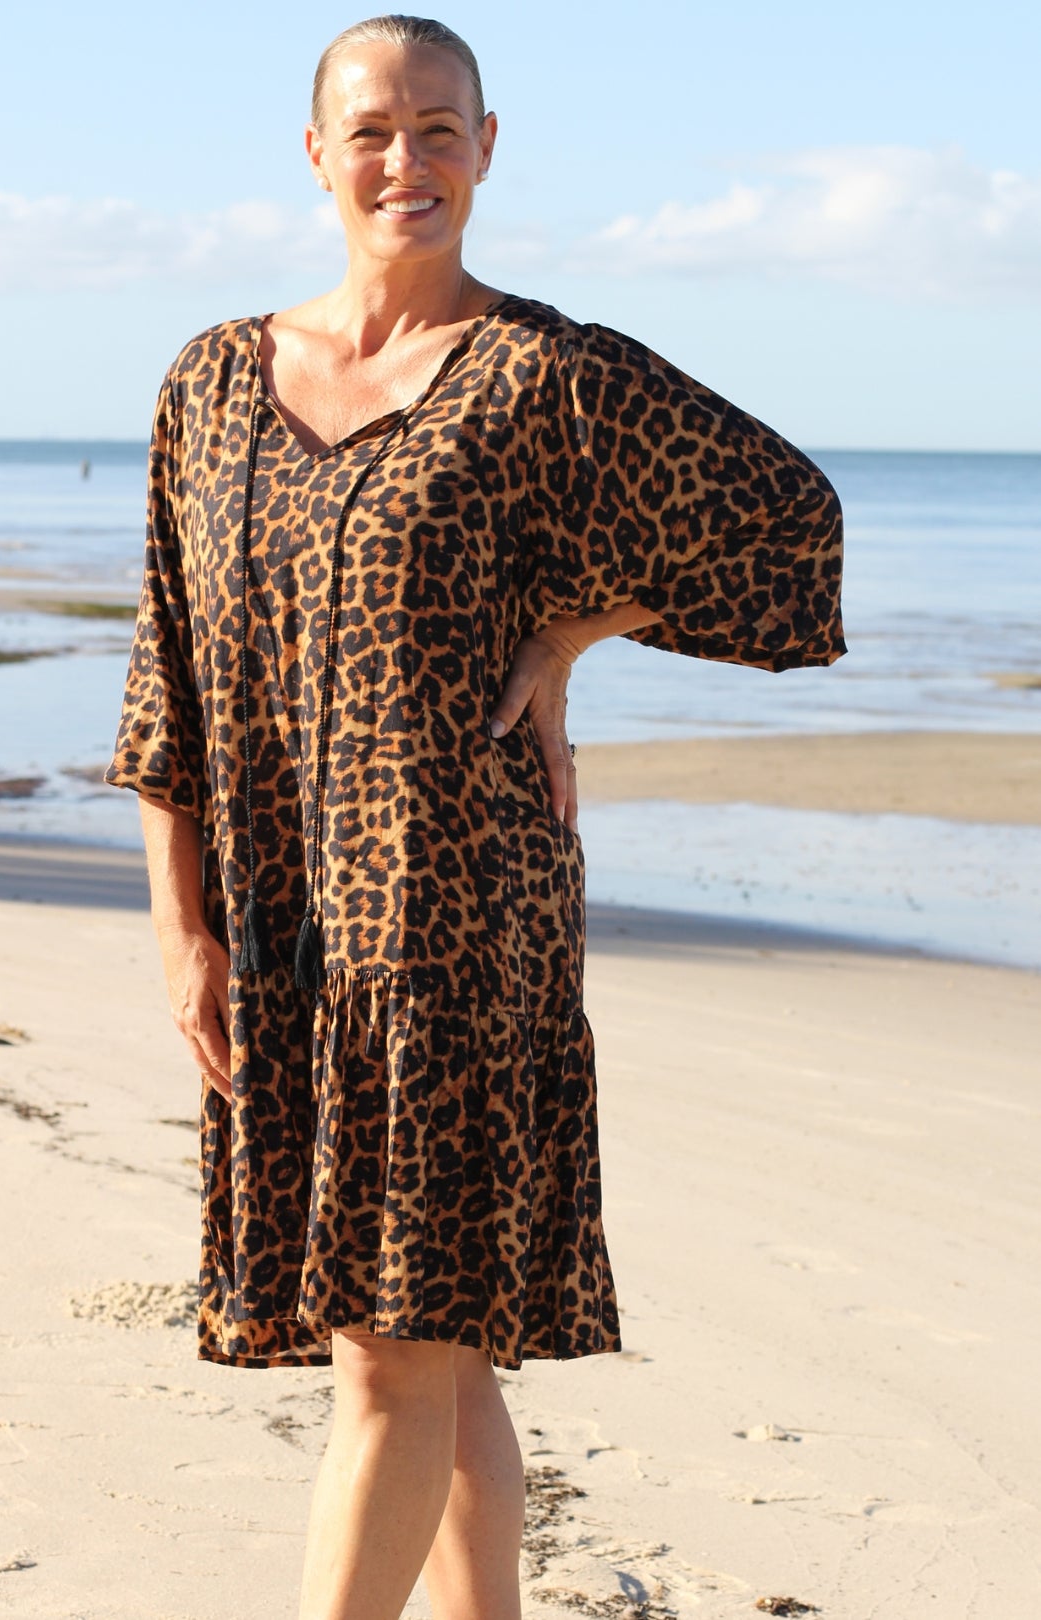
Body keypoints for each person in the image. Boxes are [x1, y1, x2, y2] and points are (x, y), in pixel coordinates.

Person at [106, 14, 845, 1619]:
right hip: (289, 942)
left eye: (440, 131)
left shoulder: (544, 383)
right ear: (315, 153)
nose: (406, 162)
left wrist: (576, 627)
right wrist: (182, 929)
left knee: (392, 1368)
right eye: (373, 131)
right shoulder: (211, 386)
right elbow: (167, 676)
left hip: (458, 942)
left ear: (488, 148)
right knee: (434, 1360)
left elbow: (789, 524)